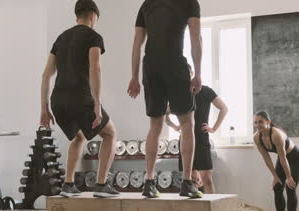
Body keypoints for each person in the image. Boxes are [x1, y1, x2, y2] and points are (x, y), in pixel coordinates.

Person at [40, 0, 118, 198]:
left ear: (77, 16)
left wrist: (44, 109)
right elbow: (95, 68)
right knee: (110, 134)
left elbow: (46, 75)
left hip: (58, 101)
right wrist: (97, 104)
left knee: (79, 136)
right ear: (93, 16)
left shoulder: (60, 38)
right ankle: (101, 185)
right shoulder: (93, 36)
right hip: (80, 97)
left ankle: (68, 184)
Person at [127, 0, 203, 198]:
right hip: (175, 64)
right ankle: (187, 182)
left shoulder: (147, 4)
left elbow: (137, 42)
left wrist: (134, 76)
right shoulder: (189, 3)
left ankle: (149, 183)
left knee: (155, 126)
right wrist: (198, 73)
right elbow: (196, 38)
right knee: (187, 123)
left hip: (150, 66)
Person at [166, 64, 228, 194]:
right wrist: (175, 126)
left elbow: (223, 108)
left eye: (187, 73)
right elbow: (165, 114)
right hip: (185, 140)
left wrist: (214, 128)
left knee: (207, 178)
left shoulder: (206, 91)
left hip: (201, 137)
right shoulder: (178, 94)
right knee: (192, 179)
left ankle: (212, 210)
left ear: (192, 73)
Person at [253, 111, 299, 211]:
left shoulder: (276, 134)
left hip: (295, 159)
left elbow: (283, 157)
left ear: (268, 122)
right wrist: (275, 177)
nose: (257, 124)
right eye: (255, 122)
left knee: (290, 187)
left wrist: (288, 177)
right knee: (277, 187)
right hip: (283, 160)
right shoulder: (257, 137)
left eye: (260, 121)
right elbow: (267, 158)